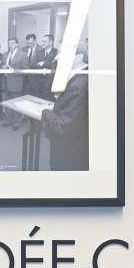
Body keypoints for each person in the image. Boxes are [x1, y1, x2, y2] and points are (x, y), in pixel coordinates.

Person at [41, 39, 90, 171]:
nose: (57, 57)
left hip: (70, 153)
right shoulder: (82, 76)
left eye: (62, 53)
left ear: (79, 57)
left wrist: (46, 112)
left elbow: (62, 126)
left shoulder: (78, 85)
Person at [1, 37, 28, 130]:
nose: (10, 45)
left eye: (12, 43)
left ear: (17, 44)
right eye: (9, 43)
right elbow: (2, 66)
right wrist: (2, 68)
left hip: (16, 83)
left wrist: (13, 70)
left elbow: (25, 70)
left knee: (16, 104)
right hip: (5, 82)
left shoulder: (22, 55)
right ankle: (9, 120)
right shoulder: (4, 55)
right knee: (7, 103)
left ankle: (17, 122)